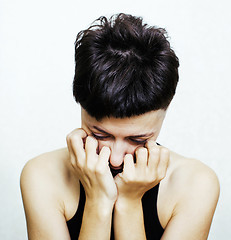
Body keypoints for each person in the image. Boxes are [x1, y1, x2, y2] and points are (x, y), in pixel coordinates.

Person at [20, 13, 220, 240]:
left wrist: (129, 203)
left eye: (137, 140)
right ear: (81, 108)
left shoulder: (196, 184)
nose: (115, 159)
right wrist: (98, 201)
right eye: (100, 135)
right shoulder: (42, 175)